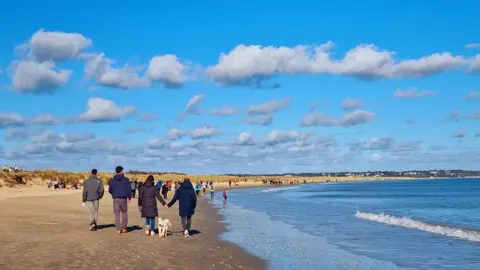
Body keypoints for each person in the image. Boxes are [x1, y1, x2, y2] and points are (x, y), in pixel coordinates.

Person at [108, 166, 132, 234]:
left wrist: (114, 194)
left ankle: (118, 229)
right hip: (123, 198)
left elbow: (110, 190)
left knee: (117, 214)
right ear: (121, 171)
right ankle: (123, 228)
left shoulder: (112, 180)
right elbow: (129, 190)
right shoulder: (126, 180)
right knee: (124, 212)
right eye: (122, 170)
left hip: (116, 198)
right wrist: (129, 197)